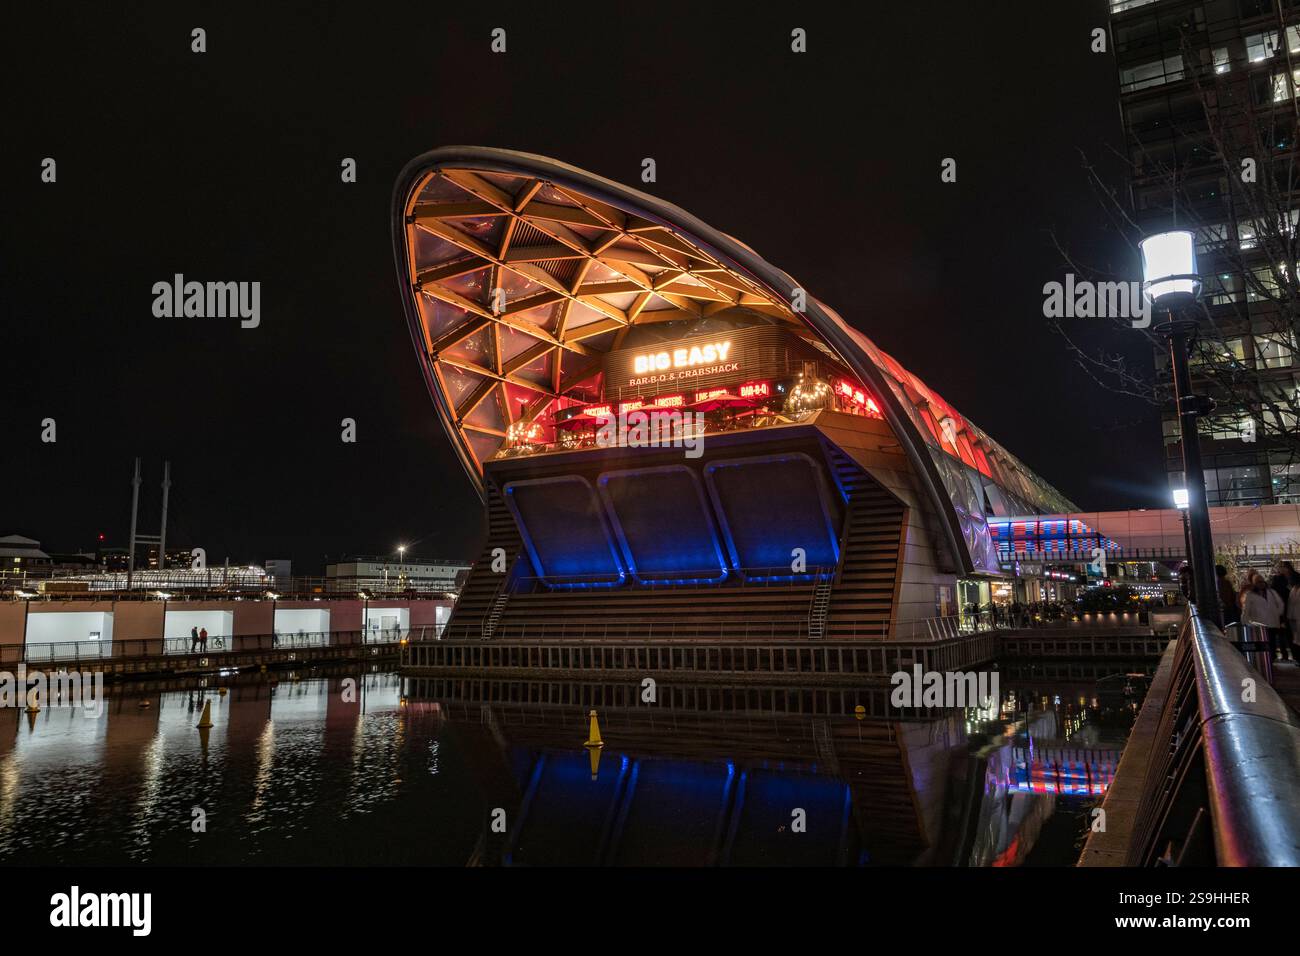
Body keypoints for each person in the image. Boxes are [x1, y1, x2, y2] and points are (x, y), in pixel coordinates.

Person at [1242, 572, 1286, 659]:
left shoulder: (1272, 592)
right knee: (1263, 644)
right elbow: (1246, 610)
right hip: (1259, 624)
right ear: (1254, 584)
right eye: (1258, 582)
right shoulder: (1250, 595)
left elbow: (1280, 604)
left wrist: (1277, 613)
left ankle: (1272, 658)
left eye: (1262, 582)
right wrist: (1245, 622)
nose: (1261, 584)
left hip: (1272, 622)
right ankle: (1266, 659)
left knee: (1272, 642)